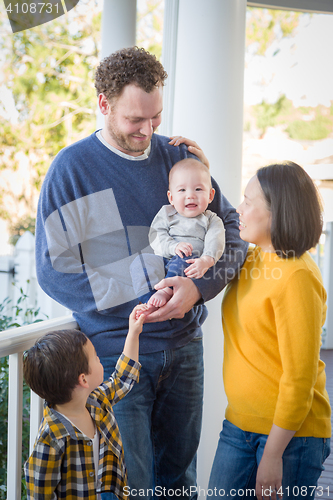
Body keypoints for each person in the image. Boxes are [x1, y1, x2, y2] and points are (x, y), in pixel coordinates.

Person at [35, 46, 248, 498]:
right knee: (128, 488)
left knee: (179, 484)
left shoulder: (177, 159)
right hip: (115, 358)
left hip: (184, 351)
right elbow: (54, 272)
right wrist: (144, 284)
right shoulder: (70, 169)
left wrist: (198, 286)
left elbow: (234, 231)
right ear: (104, 103)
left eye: (156, 117)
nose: (148, 130)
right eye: (136, 120)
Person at [208, 161, 331, 500]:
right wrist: (199, 168)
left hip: (289, 438)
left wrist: (273, 454)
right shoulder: (252, 258)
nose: (238, 208)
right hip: (238, 427)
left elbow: (299, 378)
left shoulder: (297, 276)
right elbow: (210, 218)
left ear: (278, 210)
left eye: (248, 201)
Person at [23, 303, 147, 500]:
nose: (99, 359)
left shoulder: (95, 401)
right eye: (96, 358)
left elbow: (122, 379)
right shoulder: (51, 437)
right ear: (83, 380)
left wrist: (133, 332)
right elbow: (39, 494)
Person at [130, 157, 225, 317]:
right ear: (171, 197)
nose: (190, 196)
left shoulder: (211, 220)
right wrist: (173, 246)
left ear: (210, 195)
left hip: (188, 263)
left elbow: (215, 241)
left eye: (198, 189)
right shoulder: (167, 213)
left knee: (185, 258)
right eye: (182, 190)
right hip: (164, 259)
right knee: (141, 261)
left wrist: (206, 260)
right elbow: (156, 235)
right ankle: (148, 299)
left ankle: (166, 290)